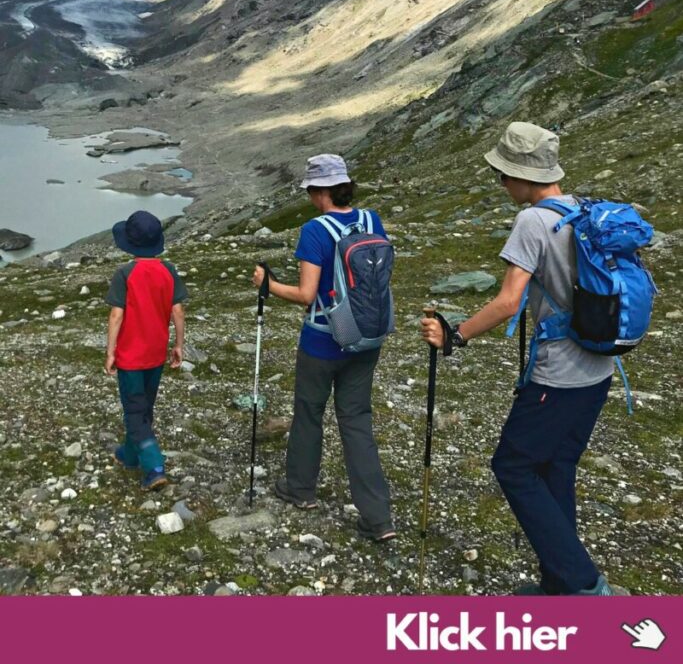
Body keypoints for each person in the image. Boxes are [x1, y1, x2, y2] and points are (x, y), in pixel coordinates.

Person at [421, 122, 615, 595]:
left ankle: (585, 586)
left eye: (503, 175)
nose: (502, 184)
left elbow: (509, 301)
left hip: (558, 375)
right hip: (600, 368)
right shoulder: (581, 210)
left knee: (513, 466)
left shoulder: (533, 220)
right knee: (556, 467)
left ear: (524, 177)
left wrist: (455, 336)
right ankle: (559, 584)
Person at [252, 153, 395, 541]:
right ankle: (377, 518)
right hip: (367, 338)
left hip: (324, 338)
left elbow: (305, 294)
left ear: (320, 191)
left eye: (312, 191)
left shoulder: (315, 230)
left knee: (309, 411)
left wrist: (267, 285)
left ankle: (300, 489)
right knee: (356, 420)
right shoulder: (371, 221)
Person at [105, 210, 188, 491]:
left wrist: (110, 351)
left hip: (131, 356)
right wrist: (178, 344)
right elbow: (177, 310)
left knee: (133, 409)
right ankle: (129, 454)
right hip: (155, 354)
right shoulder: (168, 270)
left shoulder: (125, 273)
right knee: (143, 406)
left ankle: (153, 466)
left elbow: (116, 316)